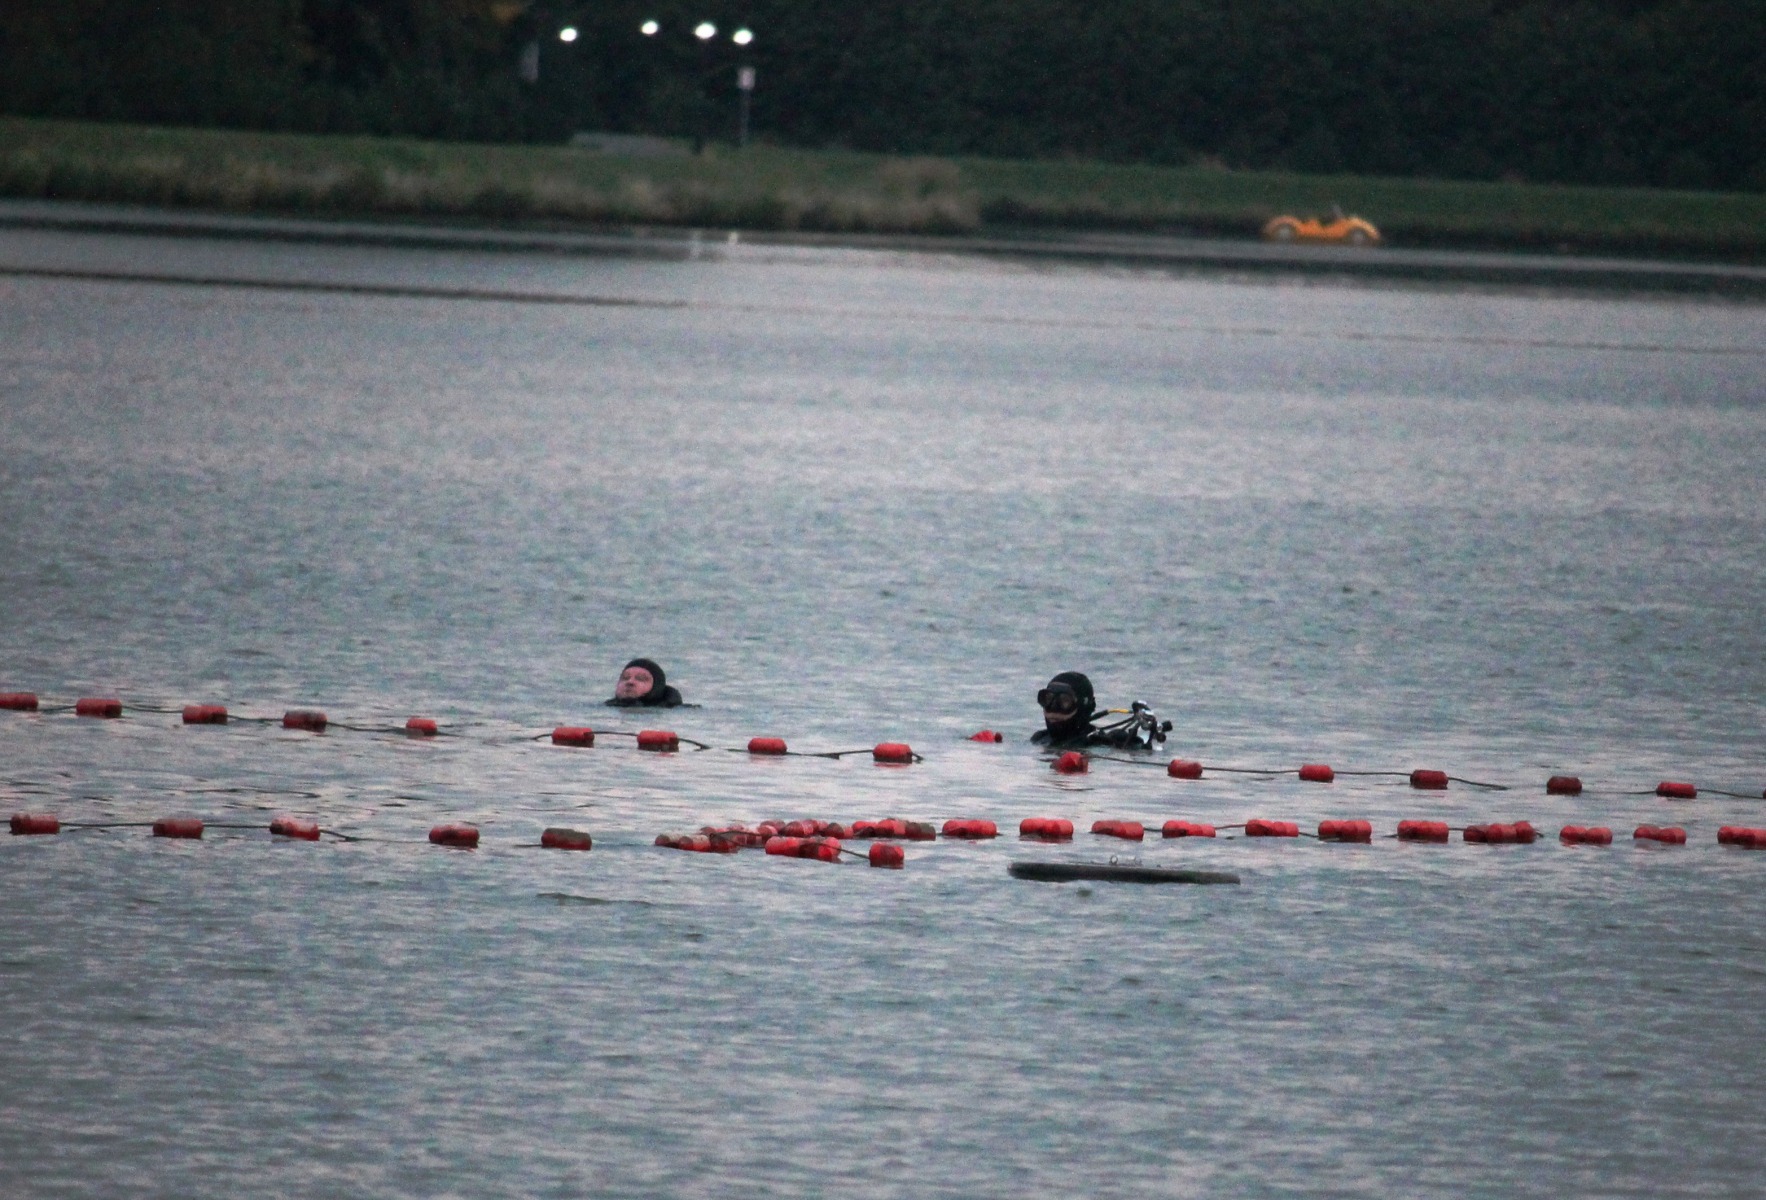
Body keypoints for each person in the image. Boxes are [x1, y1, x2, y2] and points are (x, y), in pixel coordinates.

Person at [1031, 670, 1169, 750]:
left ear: (1082, 707)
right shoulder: (1039, 738)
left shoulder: (1099, 741)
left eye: (1064, 701)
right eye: (1047, 699)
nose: (1053, 708)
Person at [606, 658, 684, 707]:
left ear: (656, 687)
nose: (630, 682)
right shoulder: (606, 709)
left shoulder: (671, 711)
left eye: (640, 679)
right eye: (625, 678)